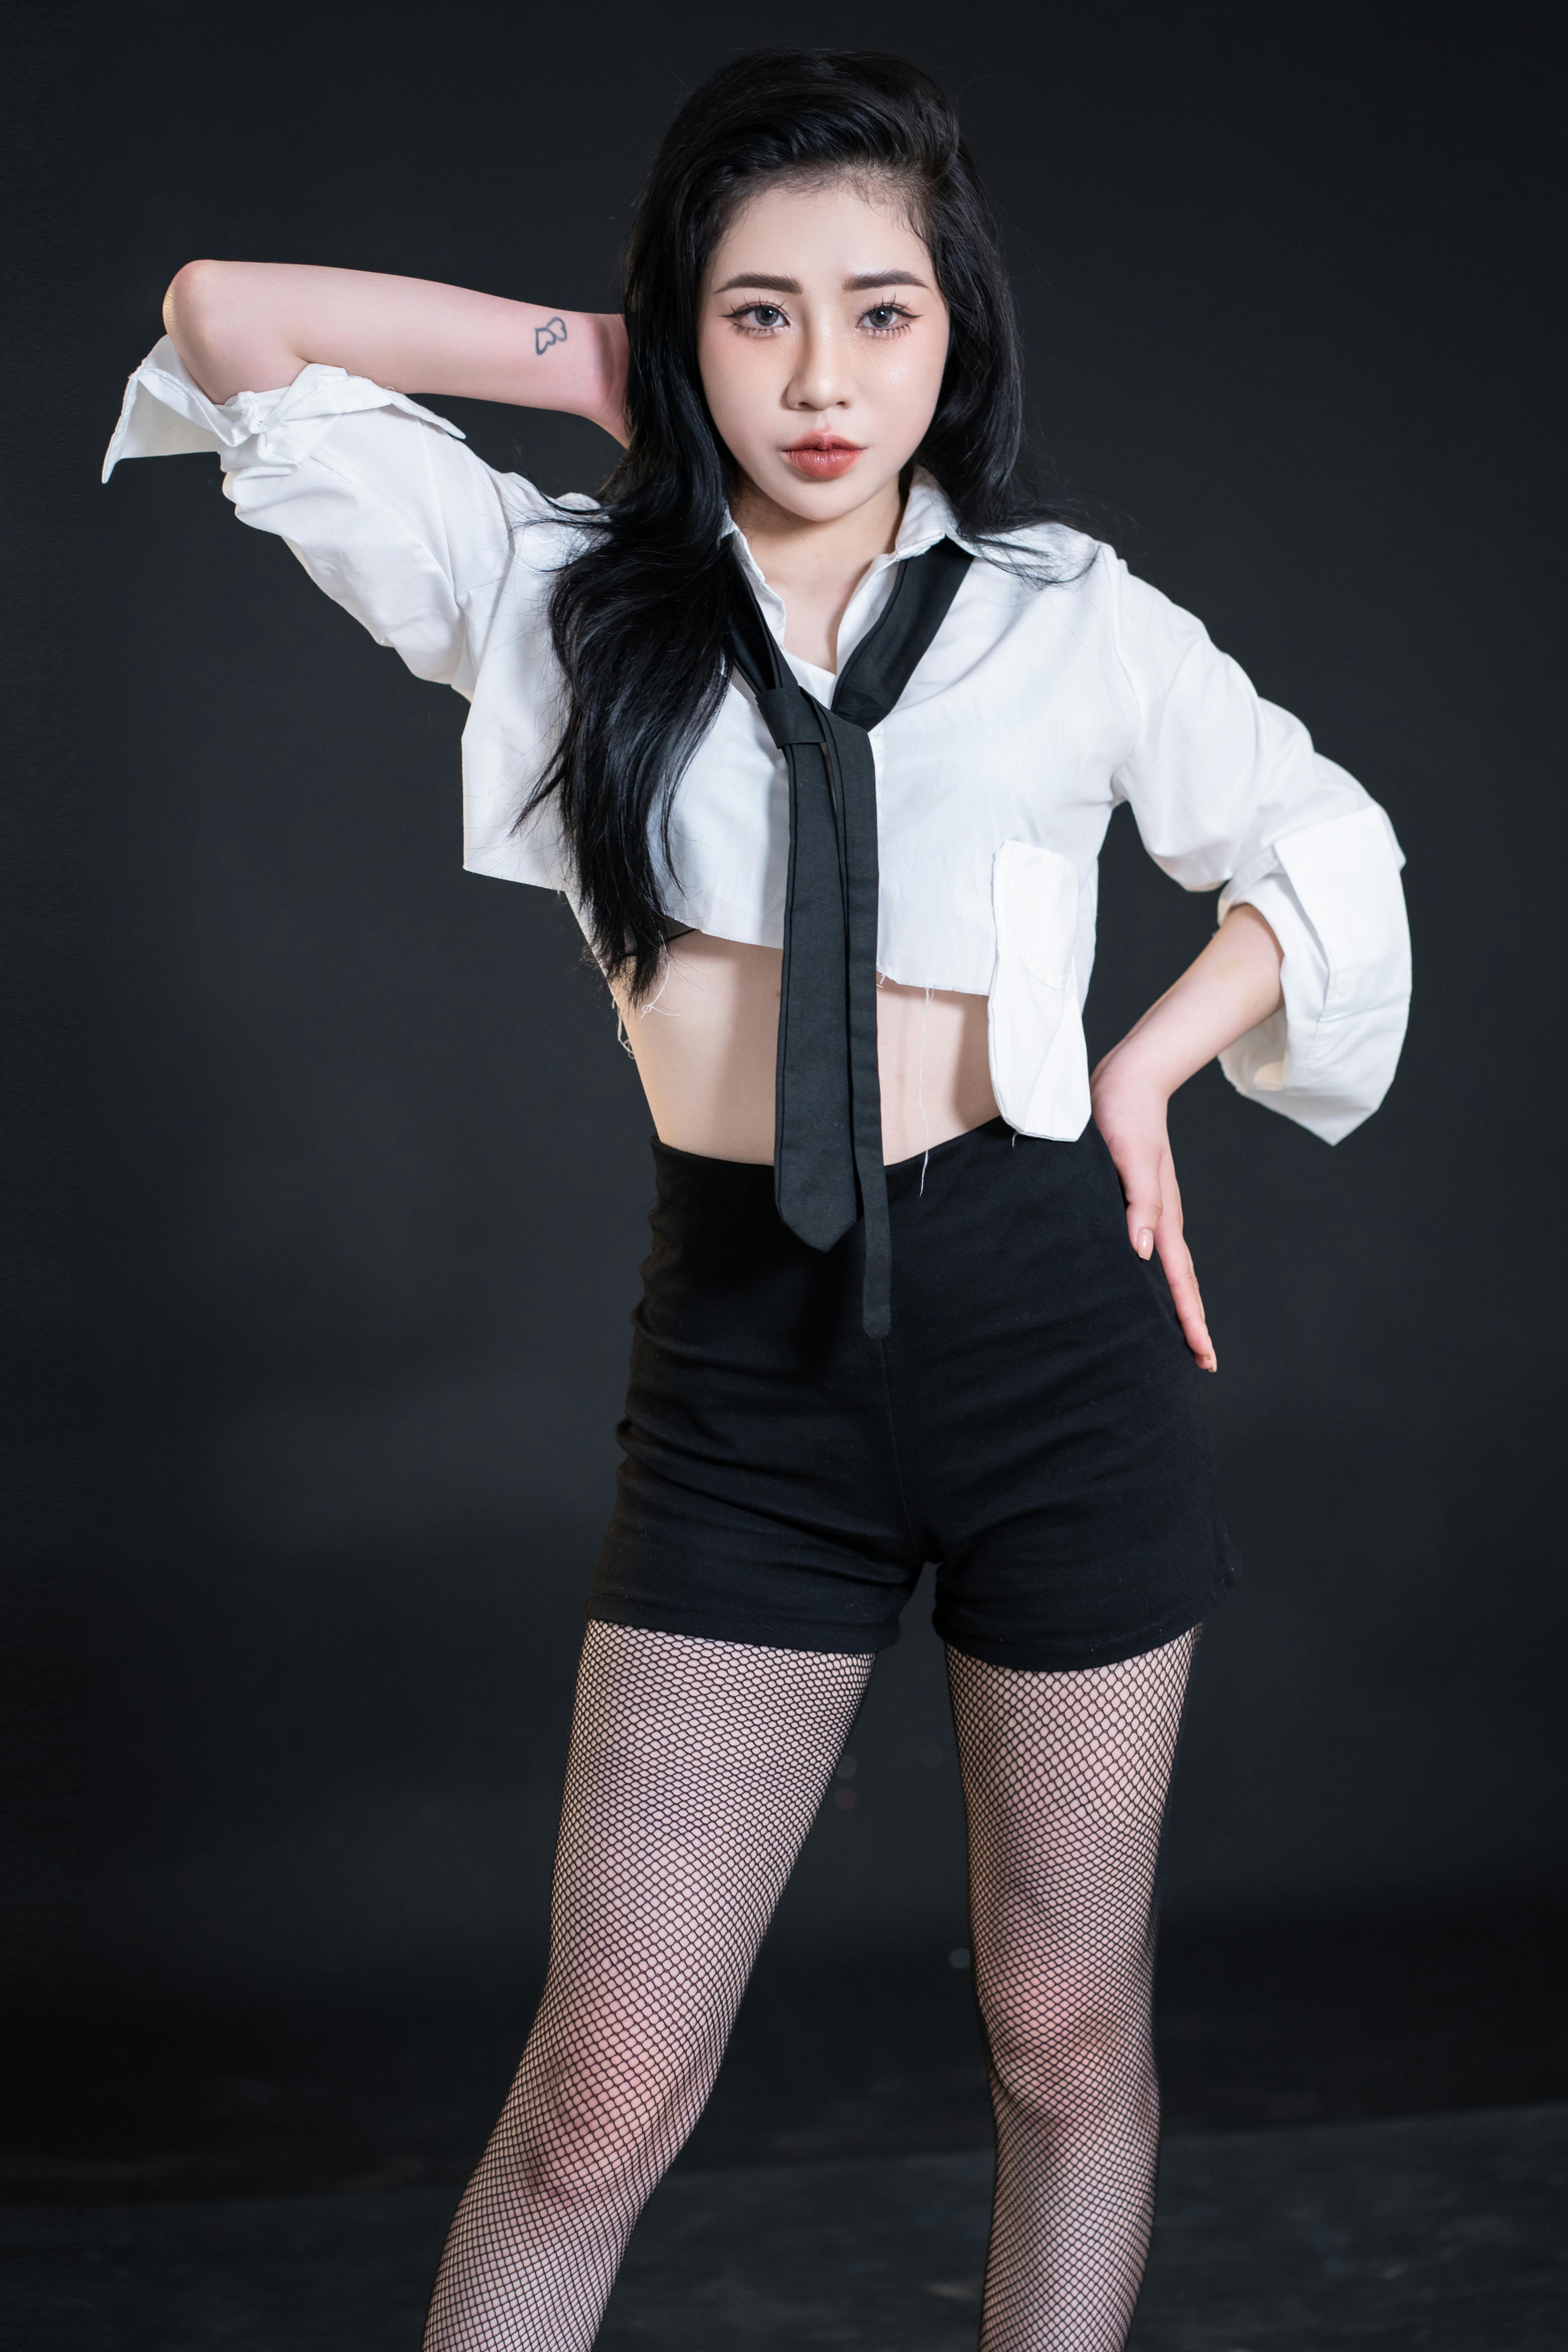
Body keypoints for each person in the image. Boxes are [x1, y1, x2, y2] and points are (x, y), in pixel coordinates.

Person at [103, 46, 1410, 2352]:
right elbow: (225, 318)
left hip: (1049, 1346)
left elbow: (1322, 854)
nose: (825, 375)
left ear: (959, 334)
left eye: (882, 313)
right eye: (759, 313)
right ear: (680, 334)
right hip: (747, 1384)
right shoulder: (552, 593)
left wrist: (1137, 1068)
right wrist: (596, 362)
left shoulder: (1067, 619)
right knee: (600, 2092)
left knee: (1064, 2043)